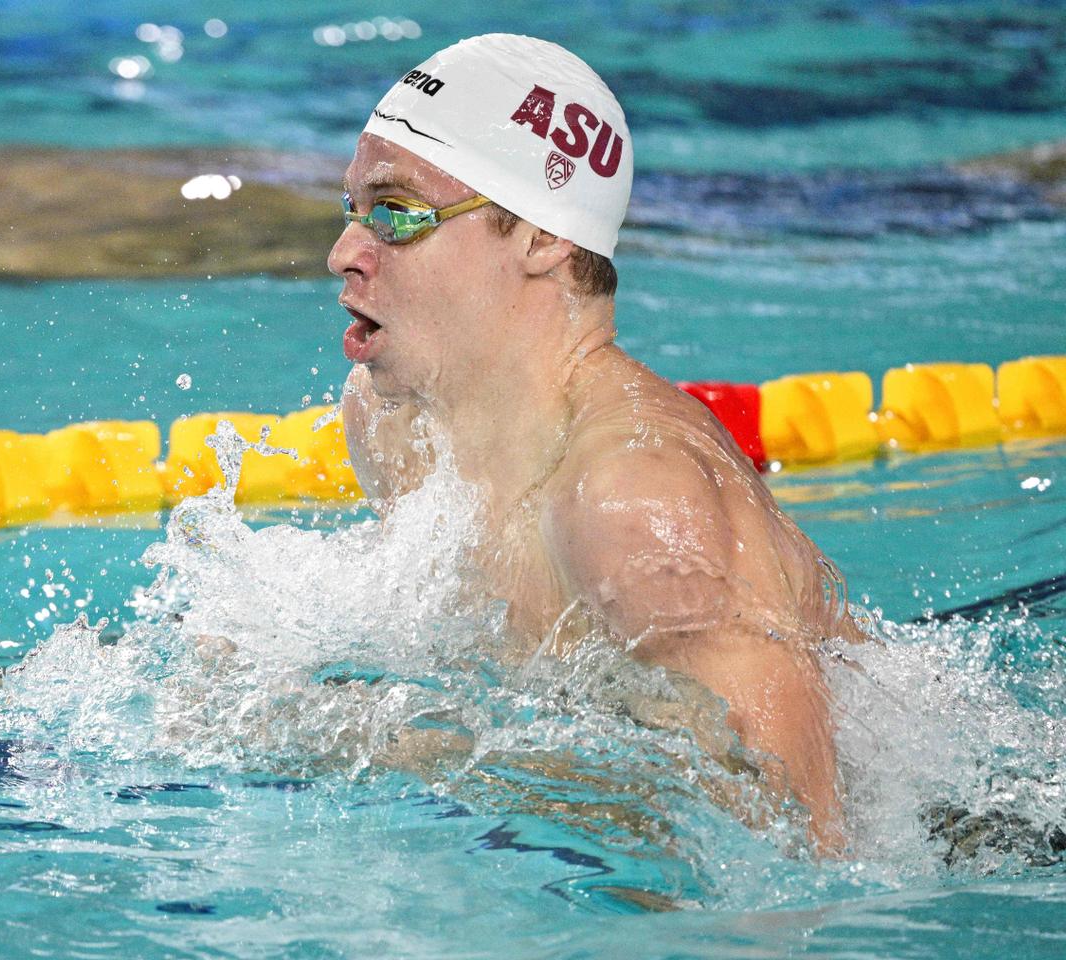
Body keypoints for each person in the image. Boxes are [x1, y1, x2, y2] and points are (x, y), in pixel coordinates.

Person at [329, 34, 865, 852]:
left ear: (544, 237)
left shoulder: (633, 504)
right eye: (353, 212)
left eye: (397, 215)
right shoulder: (394, 425)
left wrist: (419, 753)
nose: (345, 255)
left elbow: (804, 859)